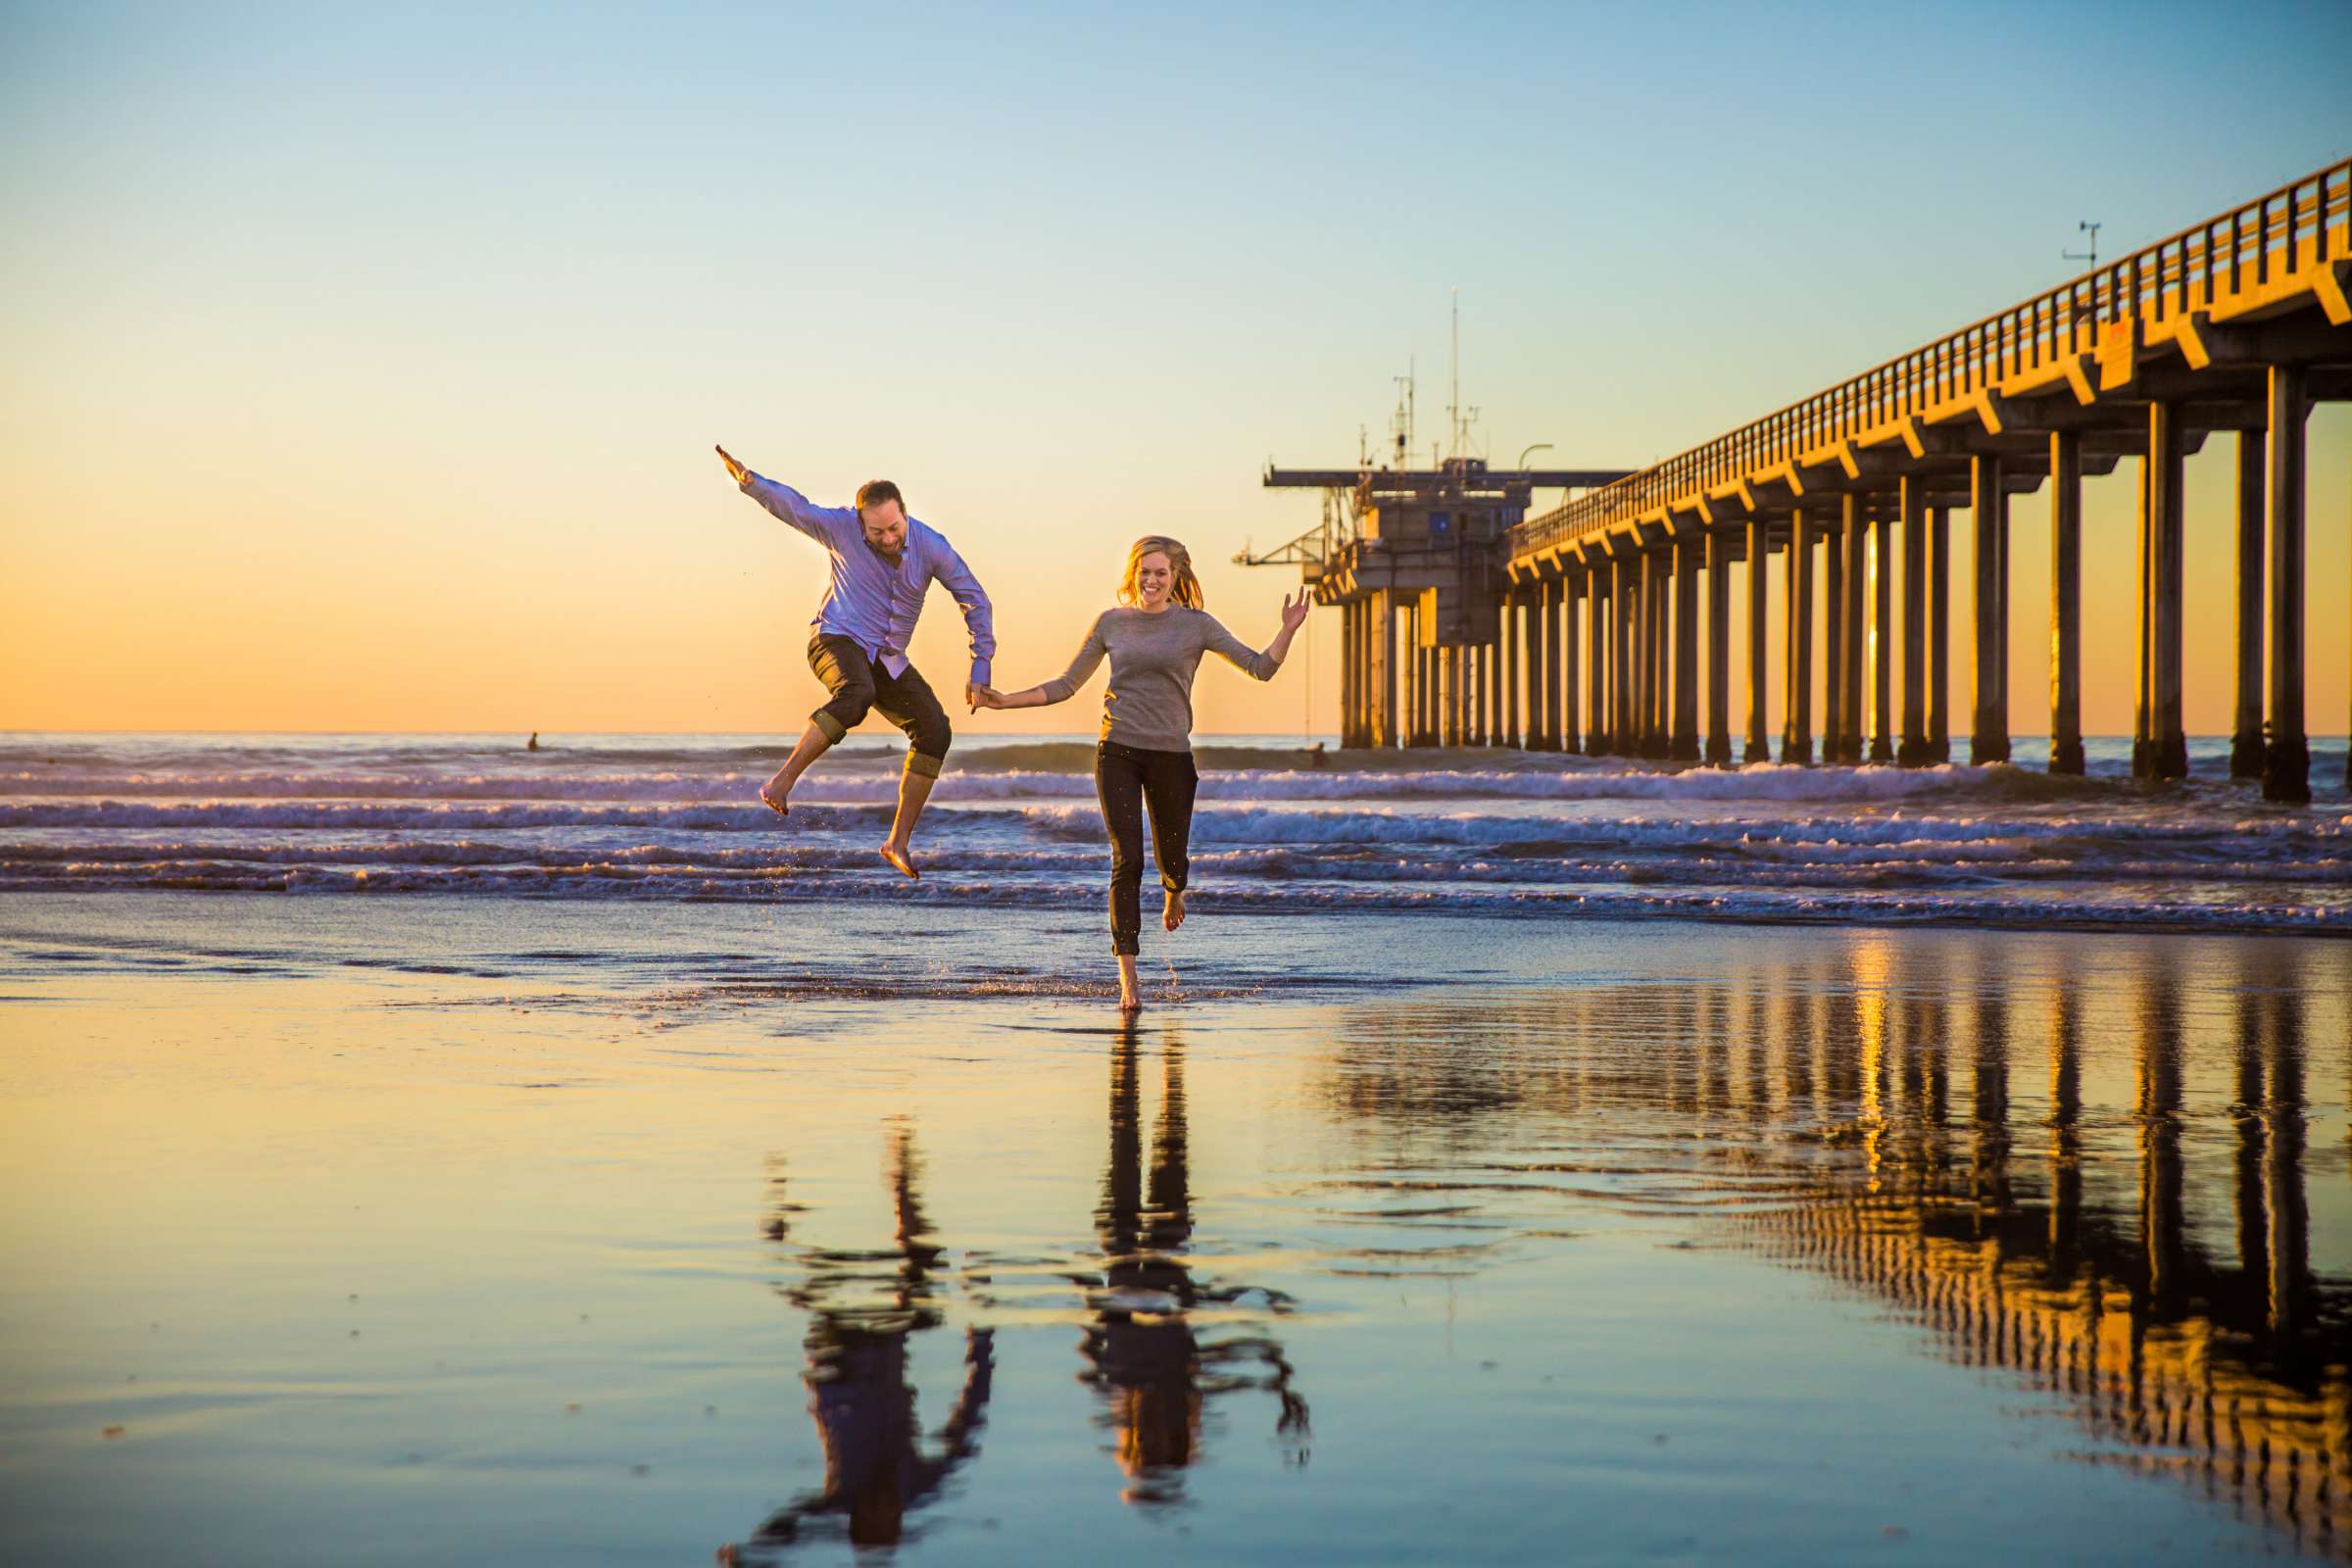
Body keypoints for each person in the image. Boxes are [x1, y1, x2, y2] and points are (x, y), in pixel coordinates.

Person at [975, 537, 1306, 1009]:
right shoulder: (1112, 622)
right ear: (1133, 574)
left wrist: (1287, 630)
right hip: (1118, 752)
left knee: (1172, 857)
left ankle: (1175, 890)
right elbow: (1066, 685)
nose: (1150, 581)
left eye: (1160, 574)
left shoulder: (1197, 626)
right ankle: (1129, 978)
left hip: (1171, 755)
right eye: (1144, 573)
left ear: (1176, 577)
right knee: (1126, 859)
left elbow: (1260, 669)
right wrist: (1004, 701)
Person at [715, 446, 995, 879]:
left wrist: (981, 667)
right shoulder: (841, 528)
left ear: (904, 512)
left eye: (894, 528)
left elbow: (975, 600)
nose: (888, 539)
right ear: (860, 522)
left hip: (887, 658)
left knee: (936, 730)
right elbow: (796, 509)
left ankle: (897, 842)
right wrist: (751, 484)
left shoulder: (932, 546)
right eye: (877, 532)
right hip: (835, 639)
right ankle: (783, 780)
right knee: (857, 694)